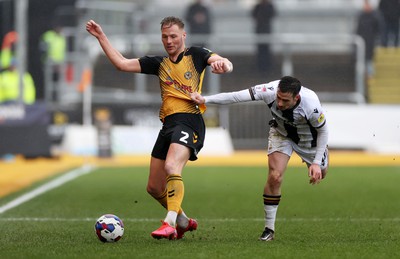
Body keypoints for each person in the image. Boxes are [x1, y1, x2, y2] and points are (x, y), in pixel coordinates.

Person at [86, 16, 233, 240]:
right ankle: (183, 220)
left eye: (173, 36)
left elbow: (220, 61)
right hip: (168, 124)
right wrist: (101, 36)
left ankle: (169, 223)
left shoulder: (196, 55)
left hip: (190, 119)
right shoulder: (159, 64)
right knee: (154, 188)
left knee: (172, 166)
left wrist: (224, 65)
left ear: (183, 36)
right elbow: (121, 64)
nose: (169, 41)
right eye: (165, 37)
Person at [190, 76, 329, 241]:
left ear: (296, 98)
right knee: (275, 176)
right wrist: (205, 99)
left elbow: (323, 132)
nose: (279, 103)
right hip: (281, 134)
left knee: (322, 172)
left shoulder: (311, 105)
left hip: (308, 140)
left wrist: (315, 162)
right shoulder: (269, 90)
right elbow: (235, 97)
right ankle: (269, 229)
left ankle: (321, 157)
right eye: (278, 98)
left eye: (285, 100)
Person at [356, 0, 382, 78]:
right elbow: (358, 30)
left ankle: (370, 76)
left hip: (370, 42)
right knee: (362, 61)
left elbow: (378, 29)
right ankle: (363, 76)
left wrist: (377, 40)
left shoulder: (375, 16)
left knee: (369, 60)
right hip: (362, 42)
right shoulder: (361, 16)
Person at [251, 0, 276, 74]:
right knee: (260, 51)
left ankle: (266, 67)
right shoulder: (258, 7)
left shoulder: (268, 6)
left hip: (266, 30)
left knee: (266, 51)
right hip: (260, 30)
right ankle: (261, 67)